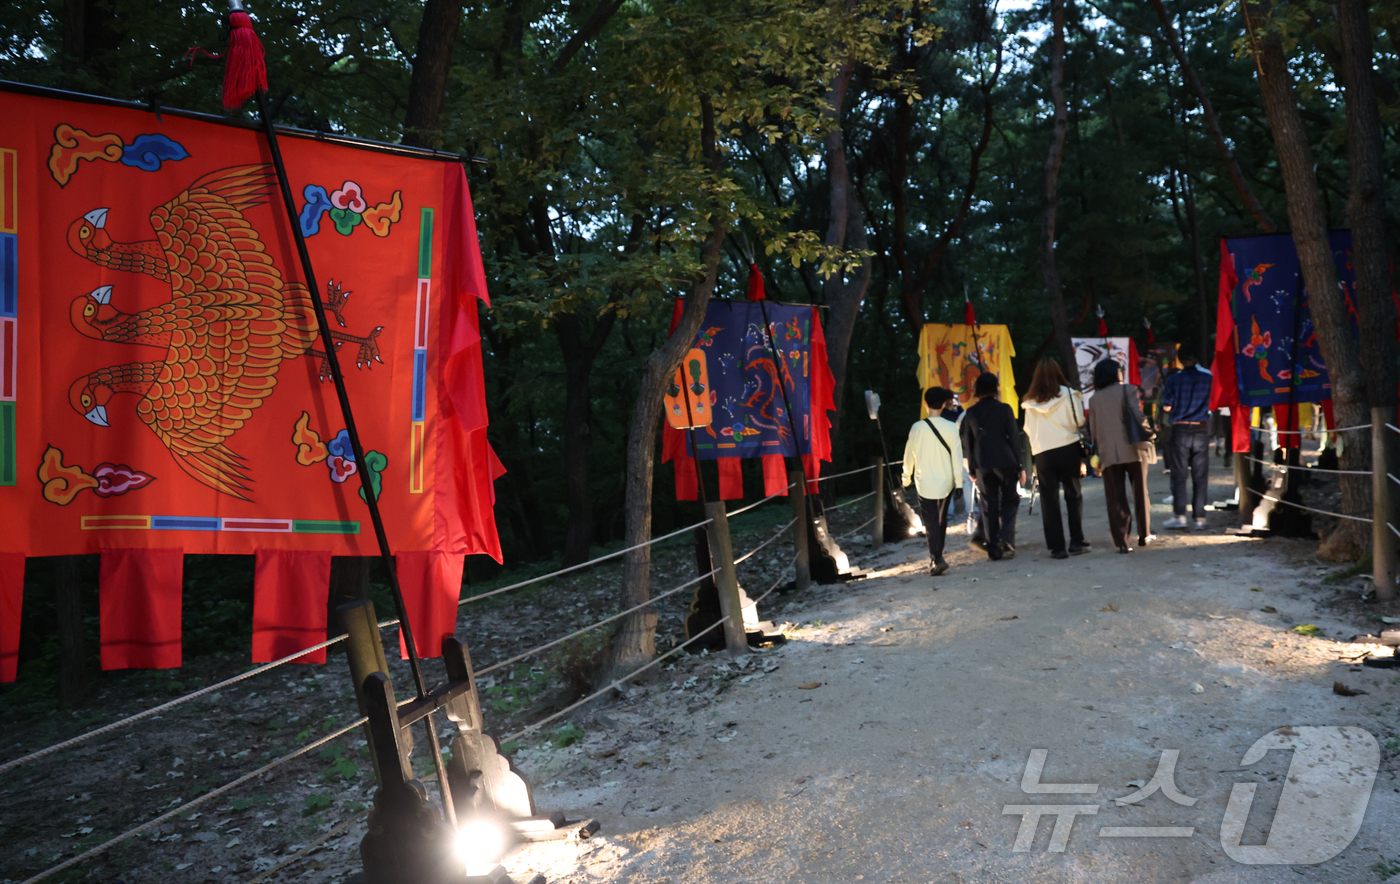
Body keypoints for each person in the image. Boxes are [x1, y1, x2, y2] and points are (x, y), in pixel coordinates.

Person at [1020, 359, 1091, 559]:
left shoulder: (1029, 402)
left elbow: (1027, 429)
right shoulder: (1069, 395)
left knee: (1049, 500)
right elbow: (1080, 421)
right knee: (1074, 495)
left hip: (1043, 453)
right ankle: (1077, 541)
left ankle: (1057, 547)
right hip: (1068, 448)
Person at [1086, 359, 1155, 553]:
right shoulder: (1129, 390)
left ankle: (1122, 541)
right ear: (1116, 373)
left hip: (1109, 453)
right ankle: (1144, 534)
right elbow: (1138, 415)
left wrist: (1098, 455)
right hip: (1133, 449)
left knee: (1115, 498)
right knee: (1140, 492)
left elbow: (1094, 430)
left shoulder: (1094, 399)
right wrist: (1150, 433)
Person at [959, 372, 1025, 560]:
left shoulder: (970, 413)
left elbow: (967, 442)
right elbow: (1013, 437)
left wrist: (971, 468)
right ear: (996, 389)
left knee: (988, 504)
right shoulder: (1005, 409)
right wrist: (1020, 466)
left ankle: (993, 548)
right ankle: (1005, 537)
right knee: (1010, 500)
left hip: (982, 463)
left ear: (977, 391)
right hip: (1005, 461)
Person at [902, 387, 965, 577]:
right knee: (941, 519)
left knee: (930, 522)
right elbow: (957, 456)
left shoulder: (917, 428)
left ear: (925, 404)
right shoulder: (951, 427)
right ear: (945, 404)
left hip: (925, 481)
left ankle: (936, 558)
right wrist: (959, 482)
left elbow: (908, 456)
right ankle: (937, 556)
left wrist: (905, 478)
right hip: (947, 481)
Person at [1160, 348, 1213, 530]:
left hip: (1180, 429)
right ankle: (1200, 519)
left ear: (1180, 360)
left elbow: (1167, 407)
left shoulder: (1174, 380)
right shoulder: (1208, 378)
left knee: (1179, 475)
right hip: (1201, 429)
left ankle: (1179, 516)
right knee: (1200, 475)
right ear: (1197, 359)